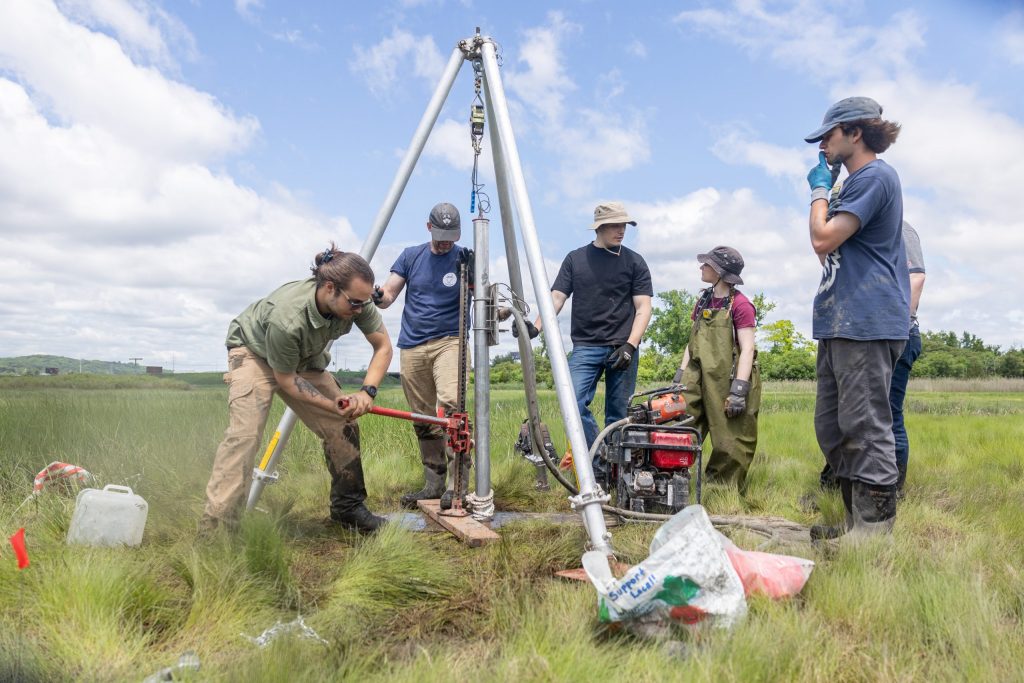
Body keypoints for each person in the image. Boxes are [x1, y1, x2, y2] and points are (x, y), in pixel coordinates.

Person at [199, 245, 393, 534]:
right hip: (255, 353)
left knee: (344, 424)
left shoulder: (358, 301)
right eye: (354, 303)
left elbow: (383, 347)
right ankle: (217, 528)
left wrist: (366, 393)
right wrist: (334, 403)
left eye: (362, 304)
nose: (359, 310)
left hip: (303, 358)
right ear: (330, 288)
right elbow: (288, 381)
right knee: (245, 437)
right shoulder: (287, 318)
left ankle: (348, 508)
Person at [804, 96, 910, 538]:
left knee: (865, 426)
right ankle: (852, 523)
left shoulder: (874, 176)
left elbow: (822, 239)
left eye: (828, 136)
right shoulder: (851, 186)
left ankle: (874, 531)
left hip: (867, 320)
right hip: (839, 321)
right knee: (833, 427)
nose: (822, 146)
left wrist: (817, 191)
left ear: (854, 133)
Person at [525, 202, 653, 472]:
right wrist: (536, 328)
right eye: (615, 226)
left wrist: (631, 345)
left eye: (624, 225)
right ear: (600, 227)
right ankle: (598, 463)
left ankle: (616, 477)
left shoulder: (634, 261)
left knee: (618, 416)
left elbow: (643, 307)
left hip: (623, 346)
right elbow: (556, 298)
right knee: (571, 401)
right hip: (586, 347)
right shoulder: (576, 259)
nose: (621, 231)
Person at [815, 221, 925, 498]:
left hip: (891, 330)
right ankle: (843, 485)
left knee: (885, 414)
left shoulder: (900, 229)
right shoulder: (856, 230)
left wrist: (897, 324)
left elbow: (916, 277)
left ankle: (887, 492)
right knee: (848, 414)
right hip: (857, 331)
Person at [373, 202, 472, 510]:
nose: (446, 241)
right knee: (422, 415)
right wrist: (378, 295)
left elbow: (482, 296)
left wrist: (471, 274)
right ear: (429, 227)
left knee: (452, 406)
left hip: (451, 340)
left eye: (452, 236)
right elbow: (389, 295)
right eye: (441, 234)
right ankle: (433, 482)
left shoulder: (464, 259)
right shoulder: (410, 256)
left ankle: (460, 485)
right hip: (413, 344)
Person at [672, 247, 760, 492]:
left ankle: (721, 492)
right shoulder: (703, 300)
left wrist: (739, 390)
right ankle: (673, 483)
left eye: (707, 264)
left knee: (730, 438)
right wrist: (680, 375)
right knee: (679, 425)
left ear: (720, 272)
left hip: (728, 377)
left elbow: (748, 349)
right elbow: (693, 341)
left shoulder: (741, 305)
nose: (701, 268)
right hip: (697, 374)